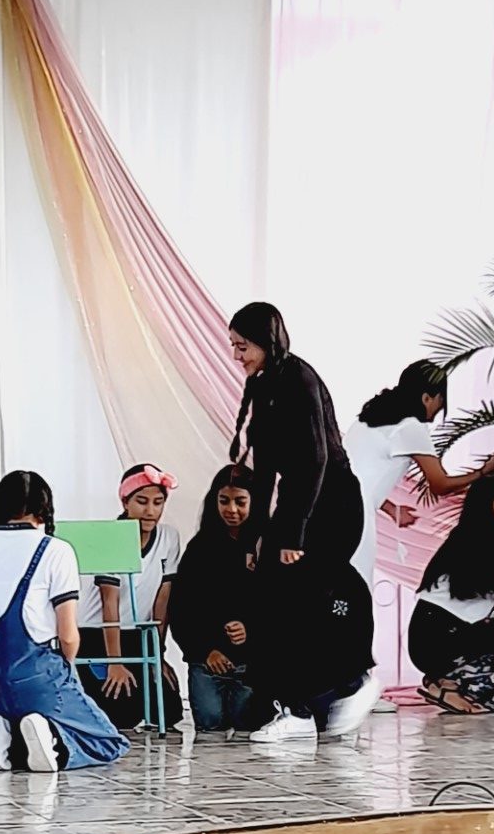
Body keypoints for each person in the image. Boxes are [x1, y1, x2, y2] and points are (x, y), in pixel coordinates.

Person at [228, 302, 377, 745]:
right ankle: (296, 707)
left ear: (266, 340)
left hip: (333, 506)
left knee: (302, 599)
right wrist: (254, 538)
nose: (237, 355)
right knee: (270, 598)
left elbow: (316, 460)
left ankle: (350, 682)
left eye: (243, 346)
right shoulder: (264, 384)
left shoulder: (299, 378)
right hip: (298, 504)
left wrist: (293, 534)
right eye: (233, 346)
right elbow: (266, 473)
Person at [0, 469, 127, 773]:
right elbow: (68, 634)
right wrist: (67, 668)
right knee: (109, 741)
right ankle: (54, 743)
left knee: (22, 715)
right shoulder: (55, 550)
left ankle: (1, 730)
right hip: (37, 679)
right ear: (45, 508)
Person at [344, 360, 494, 590]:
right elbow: (439, 484)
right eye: (440, 401)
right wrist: (481, 473)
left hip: (332, 505)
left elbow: (357, 475)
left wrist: (391, 508)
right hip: (354, 516)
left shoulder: (367, 419)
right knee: (354, 588)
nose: (438, 411)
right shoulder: (410, 427)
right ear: (427, 397)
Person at [407, 477, 494, 712]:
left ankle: (449, 685)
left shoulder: (484, 542)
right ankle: (454, 687)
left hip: (441, 639)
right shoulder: (474, 545)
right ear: (486, 506)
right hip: (436, 640)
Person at [77, 463, 184, 730]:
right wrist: (115, 662)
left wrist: (157, 655)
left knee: (168, 709)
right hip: (99, 634)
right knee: (121, 711)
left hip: (138, 634)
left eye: (158, 503)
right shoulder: (111, 537)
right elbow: (109, 603)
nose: (150, 511)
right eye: (142, 502)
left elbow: (162, 600)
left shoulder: (169, 538)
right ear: (125, 502)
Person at [169, 466, 258, 734]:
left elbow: (279, 606)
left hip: (253, 662)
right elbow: (181, 609)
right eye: (224, 501)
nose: (231, 509)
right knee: (209, 722)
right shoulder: (199, 548)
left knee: (248, 723)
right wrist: (206, 650)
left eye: (240, 502)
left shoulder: (265, 546)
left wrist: (251, 630)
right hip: (206, 662)